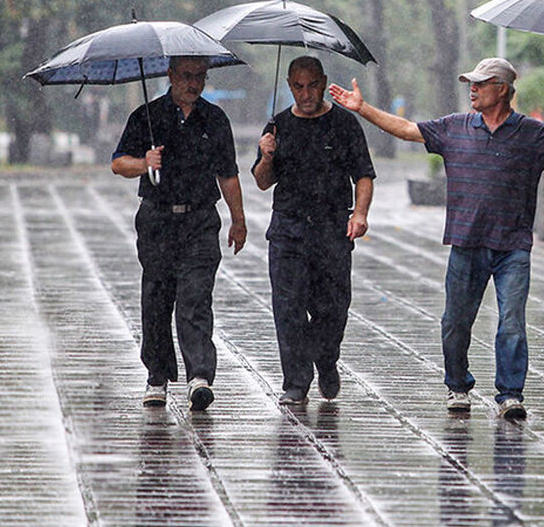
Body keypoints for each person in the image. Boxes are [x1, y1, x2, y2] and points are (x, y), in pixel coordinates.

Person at [328, 57, 544, 420]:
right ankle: (458, 385)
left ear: (503, 90)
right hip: (466, 243)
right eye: (470, 83)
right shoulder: (455, 127)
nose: (472, 89)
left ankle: (510, 394)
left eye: (480, 83)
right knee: (455, 322)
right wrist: (362, 108)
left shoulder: (532, 133)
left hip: (512, 247)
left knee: (512, 321)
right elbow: (405, 129)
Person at [111, 55, 247, 411]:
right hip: (157, 221)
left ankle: (199, 375)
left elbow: (228, 174)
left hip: (200, 221)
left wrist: (238, 219)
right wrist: (144, 163)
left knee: (195, 297)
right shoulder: (146, 116)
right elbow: (118, 163)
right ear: (170, 76)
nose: (194, 83)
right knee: (156, 299)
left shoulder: (214, 119)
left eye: (200, 76)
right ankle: (157, 376)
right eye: (187, 76)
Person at [252, 56, 376, 406]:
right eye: (299, 86)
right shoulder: (276, 126)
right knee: (288, 308)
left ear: (323, 82)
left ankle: (326, 359)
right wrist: (266, 157)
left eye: (313, 85)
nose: (306, 93)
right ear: (290, 86)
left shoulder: (344, 124)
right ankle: (295, 381)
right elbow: (262, 182)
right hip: (288, 230)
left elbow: (363, 175)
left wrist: (361, 214)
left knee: (332, 308)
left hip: (332, 230)